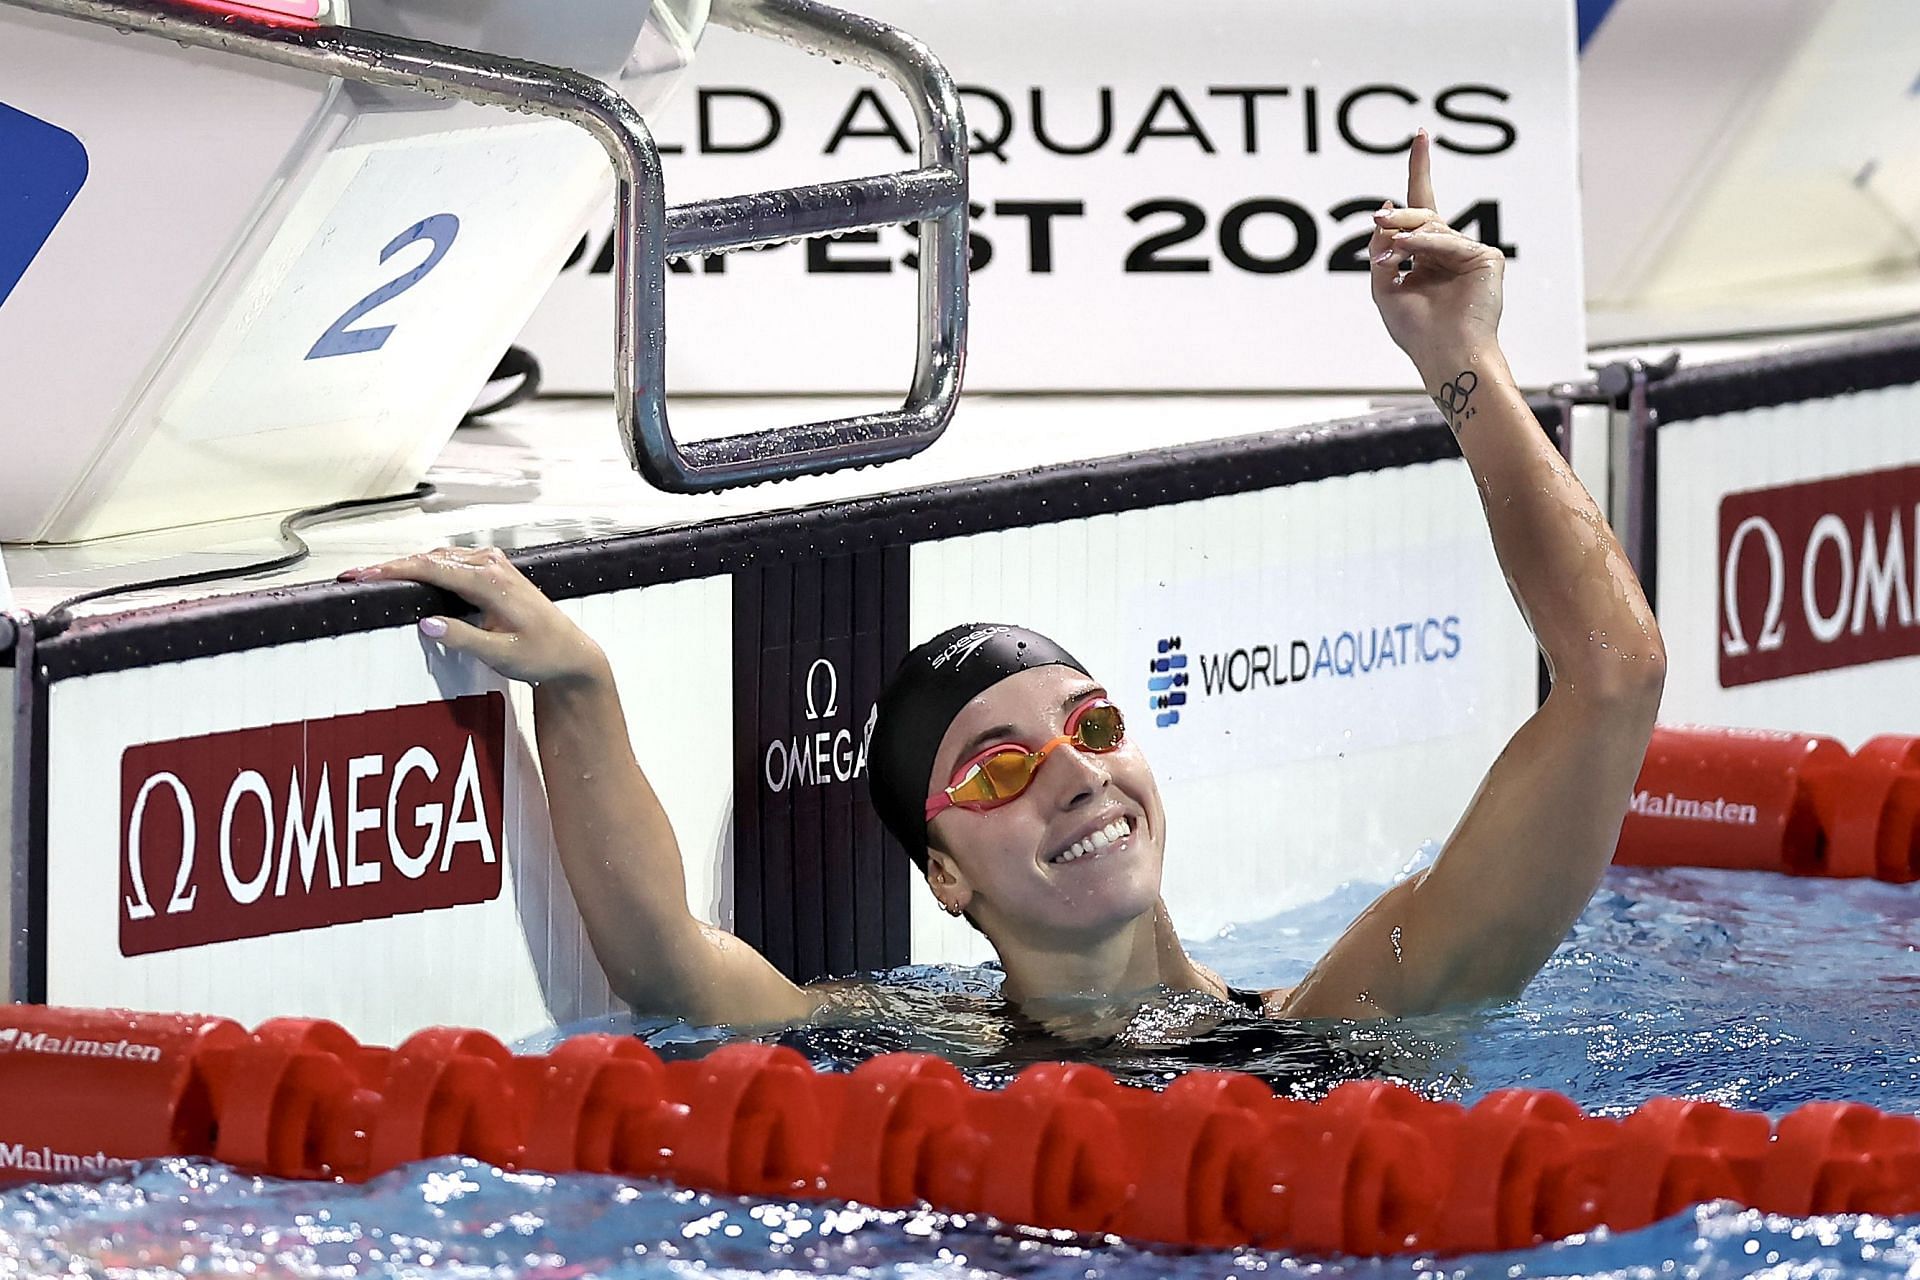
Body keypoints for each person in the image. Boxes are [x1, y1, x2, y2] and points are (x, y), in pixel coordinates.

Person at [345, 134, 1665, 1032]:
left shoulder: (1350, 1025)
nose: (1078, 772)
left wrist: (1464, 362)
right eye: (997, 766)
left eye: (1092, 728)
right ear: (946, 880)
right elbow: (668, 968)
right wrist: (580, 683)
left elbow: (1614, 677)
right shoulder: (908, 1056)